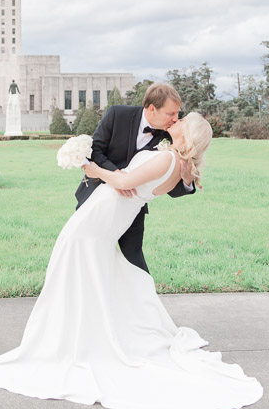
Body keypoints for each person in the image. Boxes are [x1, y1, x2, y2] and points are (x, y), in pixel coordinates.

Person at [0, 112, 263, 409]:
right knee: (84, 274)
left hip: (100, 217)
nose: (175, 121)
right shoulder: (178, 165)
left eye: (182, 121)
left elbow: (124, 180)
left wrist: (91, 167)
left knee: (70, 268)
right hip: (109, 218)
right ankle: (76, 332)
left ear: (186, 134)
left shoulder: (167, 160)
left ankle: (63, 341)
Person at [74, 83, 195, 273]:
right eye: (170, 114)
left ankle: (145, 301)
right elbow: (95, 150)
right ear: (153, 109)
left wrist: (187, 180)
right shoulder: (117, 114)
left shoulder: (172, 136)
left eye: (177, 114)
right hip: (97, 198)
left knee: (133, 258)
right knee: (86, 255)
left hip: (132, 206)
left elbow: (171, 184)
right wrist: (117, 177)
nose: (175, 119)